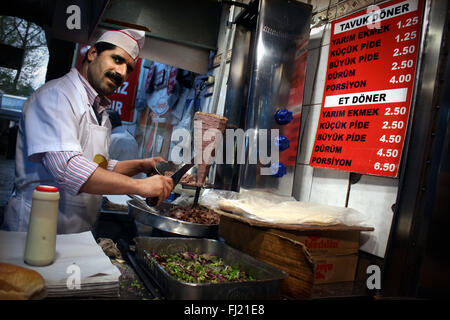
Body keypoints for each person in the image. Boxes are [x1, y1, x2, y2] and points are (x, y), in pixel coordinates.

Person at [1, 29, 174, 234]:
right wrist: (140, 186)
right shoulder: (57, 96)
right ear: (92, 53)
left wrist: (140, 165)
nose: (121, 73)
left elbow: (96, 166)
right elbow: (69, 168)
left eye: (128, 68)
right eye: (117, 59)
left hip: (77, 232)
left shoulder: (99, 109)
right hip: (35, 229)